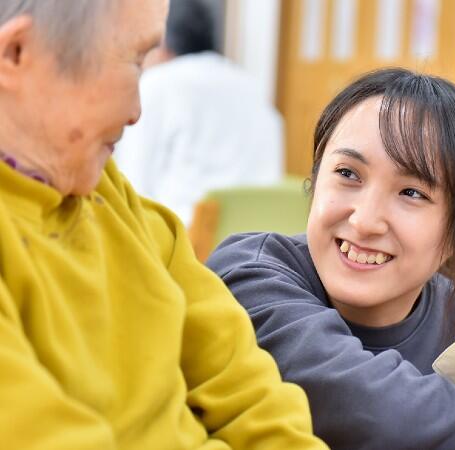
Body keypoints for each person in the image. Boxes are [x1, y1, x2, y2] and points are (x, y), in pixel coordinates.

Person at [207, 68, 455, 449]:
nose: (365, 220)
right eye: (347, 173)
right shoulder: (250, 276)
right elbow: (360, 407)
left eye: (412, 193)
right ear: (313, 180)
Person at [0, 1, 328, 449]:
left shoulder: (115, 198)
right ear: (16, 53)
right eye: (136, 60)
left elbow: (249, 386)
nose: (136, 110)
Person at [115, 0, 284, 226]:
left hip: (181, 242)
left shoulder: (157, 84)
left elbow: (130, 186)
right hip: (258, 239)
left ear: (160, 41)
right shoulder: (251, 86)